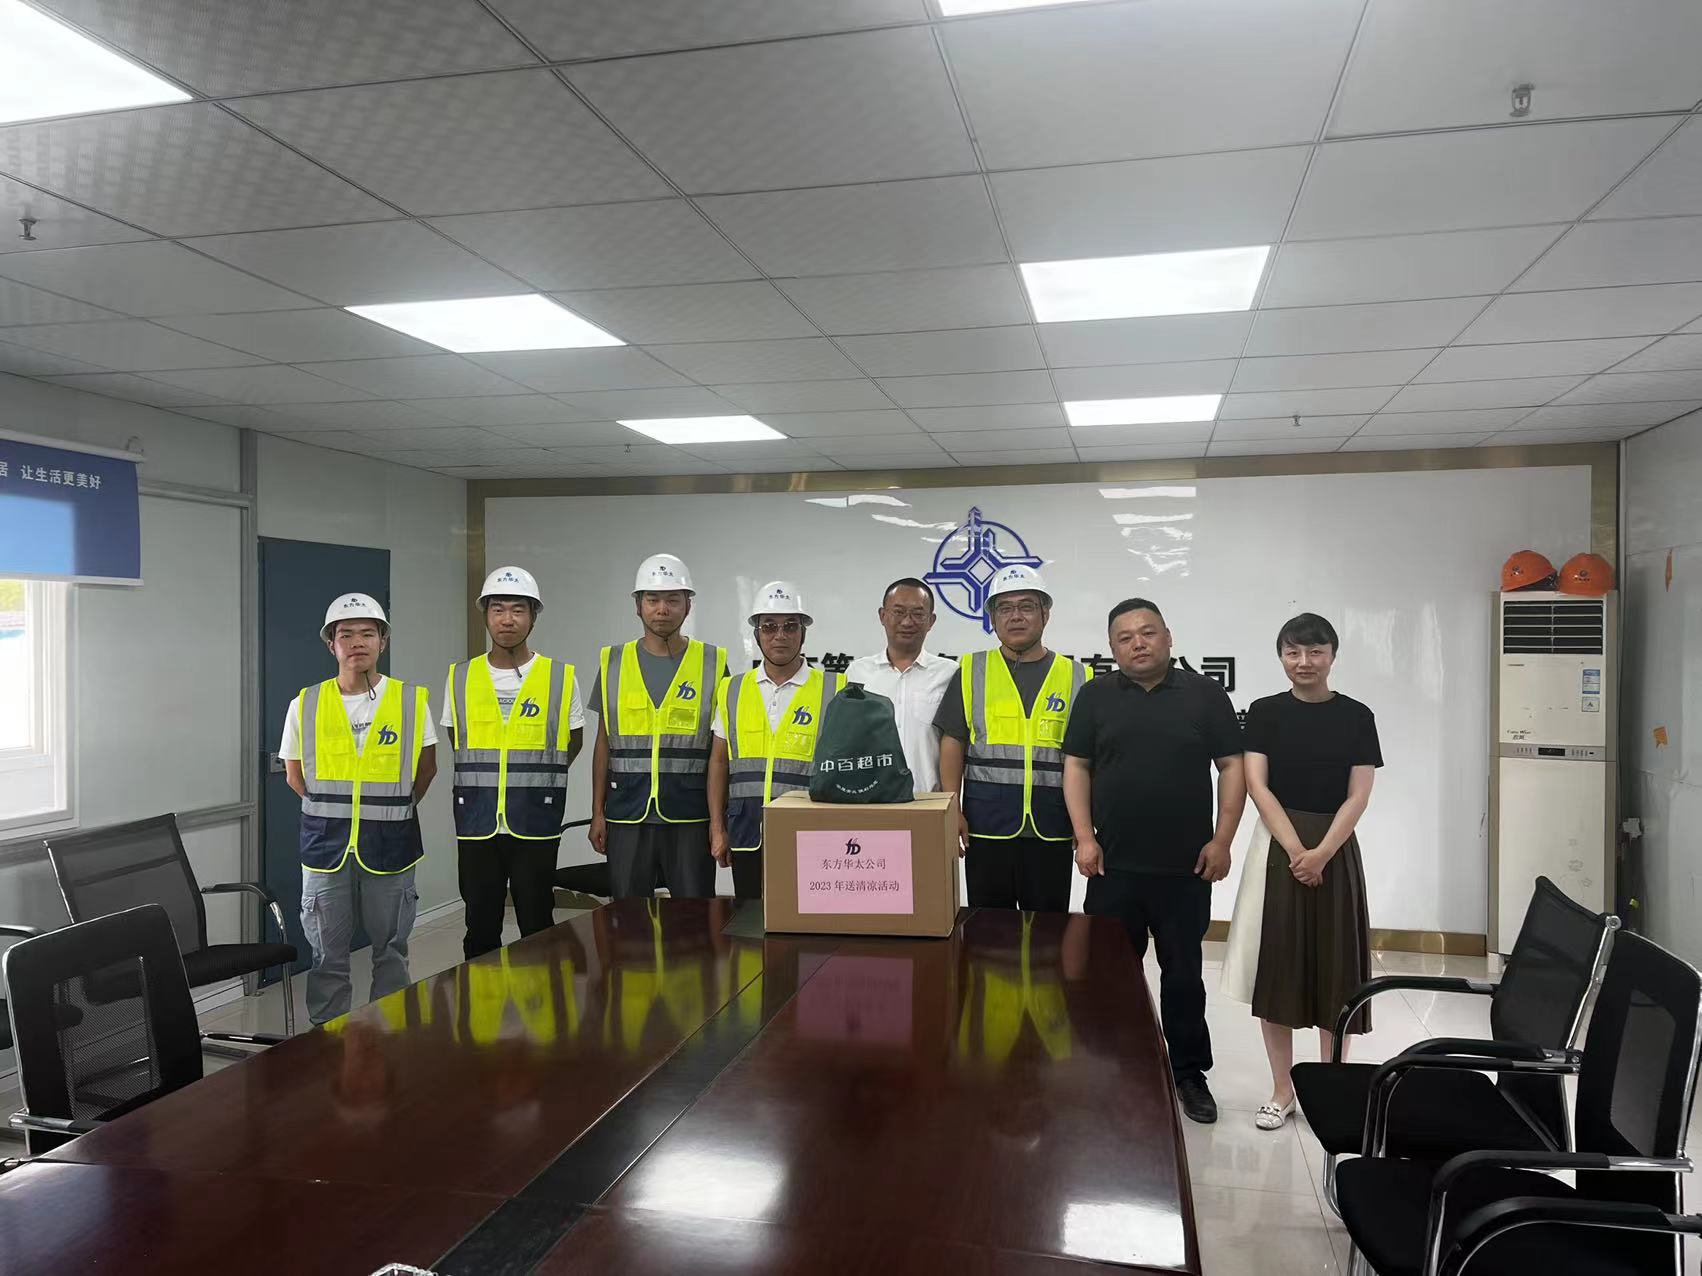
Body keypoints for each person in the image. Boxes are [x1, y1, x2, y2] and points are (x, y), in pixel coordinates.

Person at [1062, 598, 1245, 1124]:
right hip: (1113, 865)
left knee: (1183, 975)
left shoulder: (1205, 695)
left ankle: (1188, 1073)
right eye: (1124, 637)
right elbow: (1076, 766)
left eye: (1147, 633)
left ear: (1168, 637)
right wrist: (1083, 838)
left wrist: (1223, 840)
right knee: (1111, 974)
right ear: (1111, 647)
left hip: (1186, 869)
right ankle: (1117, 1064)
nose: (1137, 644)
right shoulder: (1095, 696)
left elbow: (1231, 766)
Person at [1243, 613, 1381, 1131]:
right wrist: (1296, 850)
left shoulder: (1357, 716)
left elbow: (1359, 794)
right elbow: (1258, 786)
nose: (1304, 662)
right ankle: (1282, 1091)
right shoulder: (1264, 712)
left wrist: (1321, 853)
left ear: (1332, 656)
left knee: (1336, 971)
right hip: (1280, 848)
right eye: (1293, 652)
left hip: (1336, 850)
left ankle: (1332, 1086)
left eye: (1315, 651)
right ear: (1281, 656)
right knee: (1278, 969)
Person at [280, 592, 435, 1026]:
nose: (357, 642)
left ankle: (390, 1037)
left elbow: (426, 769)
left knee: (392, 951)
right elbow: (295, 775)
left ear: (383, 641)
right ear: (331, 644)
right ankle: (328, 1040)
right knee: (326, 954)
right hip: (325, 848)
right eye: (346, 634)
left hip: (392, 844)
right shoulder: (305, 703)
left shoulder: (410, 701)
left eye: (368, 633)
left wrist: (391, 809)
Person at [444, 565, 584, 961]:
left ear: (533, 616)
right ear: (486, 615)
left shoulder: (560, 677)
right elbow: (458, 740)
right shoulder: (460, 677)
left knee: (537, 924)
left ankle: (539, 1001)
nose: (508, 619)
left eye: (518, 609)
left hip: (536, 823)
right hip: (477, 824)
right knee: (480, 926)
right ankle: (481, 1000)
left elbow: (571, 743)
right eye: (498, 609)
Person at [935, 565, 1091, 913]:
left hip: (1053, 826)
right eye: (1004, 608)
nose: (1015, 616)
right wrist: (952, 808)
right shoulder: (971, 670)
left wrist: (1085, 830)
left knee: (1048, 931)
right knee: (989, 930)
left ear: (1045, 614)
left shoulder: (1077, 676)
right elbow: (953, 741)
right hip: (986, 825)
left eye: (1026, 606)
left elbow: (1085, 758)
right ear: (992, 617)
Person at [587, 553, 727, 899]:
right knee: (627, 915)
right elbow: (603, 743)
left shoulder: (713, 663)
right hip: (627, 813)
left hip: (690, 816)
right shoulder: (613, 662)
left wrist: (717, 821)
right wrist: (597, 813)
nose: (662, 609)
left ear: (688, 606)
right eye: (652, 599)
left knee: (694, 917)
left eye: (672, 600)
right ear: (638, 606)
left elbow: (721, 752)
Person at [709, 581, 846, 900]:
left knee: (810, 921)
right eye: (769, 626)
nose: (779, 635)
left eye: (790, 626)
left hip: (811, 835)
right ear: (757, 633)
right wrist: (717, 827)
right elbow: (718, 761)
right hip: (746, 831)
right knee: (749, 919)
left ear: (803, 633)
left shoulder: (834, 688)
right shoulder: (732, 689)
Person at [846, 578, 956, 794]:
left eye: (918, 614)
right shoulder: (857, 673)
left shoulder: (950, 673)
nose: (907, 622)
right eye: (898, 612)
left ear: (931, 621)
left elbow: (956, 743)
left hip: (930, 802)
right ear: (882, 616)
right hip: (870, 800)